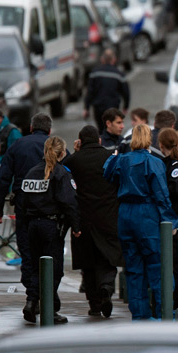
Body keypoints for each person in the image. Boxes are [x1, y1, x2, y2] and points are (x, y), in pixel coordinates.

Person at [103, 124, 178, 320]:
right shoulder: (153, 162)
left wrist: (114, 155)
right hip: (146, 213)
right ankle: (164, 313)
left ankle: (139, 315)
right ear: (149, 139)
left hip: (125, 213)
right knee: (157, 265)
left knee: (134, 268)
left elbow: (107, 174)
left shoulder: (121, 160)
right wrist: (170, 220)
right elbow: (161, 195)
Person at [0, 113, 54, 323]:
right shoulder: (53, 145)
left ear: (30, 127)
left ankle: (32, 297)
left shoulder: (18, 145)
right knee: (49, 254)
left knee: (28, 253)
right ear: (50, 130)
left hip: (23, 207)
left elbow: (2, 179)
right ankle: (47, 299)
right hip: (49, 210)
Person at [18, 136, 80, 325]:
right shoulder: (61, 173)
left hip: (32, 226)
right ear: (62, 153)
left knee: (37, 267)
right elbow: (69, 203)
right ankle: (50, 310)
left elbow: (22, 202)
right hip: (52, 226)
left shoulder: (31, 172)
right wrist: (76, 226)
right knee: (54, 270)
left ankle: (31, 302)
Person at [64, 125, 122, 319]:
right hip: (108, 217)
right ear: (99, 140)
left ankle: (94, 304)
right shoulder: (110, 158)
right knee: (108, 258)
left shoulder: (73, 160)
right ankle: (106, 287)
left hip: (83, 220)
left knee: (88, 264)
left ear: (80, 141)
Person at [84, 49, 130, 128]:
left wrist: (86, 108)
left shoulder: (95, 73)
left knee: (101, 129)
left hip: (98, 108)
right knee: (111, 130)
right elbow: (126, 92)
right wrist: (125, 107)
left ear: (102, 59)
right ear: (114, 60)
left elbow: (90, 91)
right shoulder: (118, 74)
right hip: (113, 108)